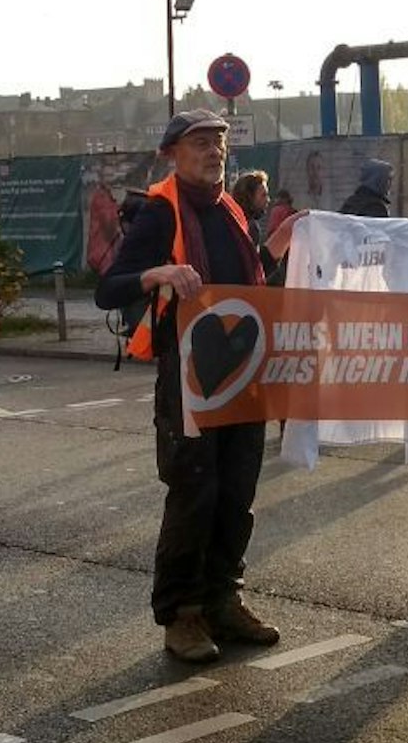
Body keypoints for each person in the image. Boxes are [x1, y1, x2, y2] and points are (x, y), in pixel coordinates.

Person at [94, 110, 284, 665]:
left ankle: (224, 599)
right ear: (172, 153)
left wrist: (280, 244)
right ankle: (182, 615)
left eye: (218, 142)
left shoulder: (232, 210)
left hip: (245, 374)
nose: (213, 151)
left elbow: (247, 285)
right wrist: (158, 273)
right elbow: (109, 288)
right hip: (188, 378)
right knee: (194, 494)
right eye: (200, 143)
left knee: (237, 493)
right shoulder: (161, 212)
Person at [232, 169, 271, 246]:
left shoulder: (230, 219)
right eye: (263, 195)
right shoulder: (250, 228)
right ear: (249, 197)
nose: (268, 200)